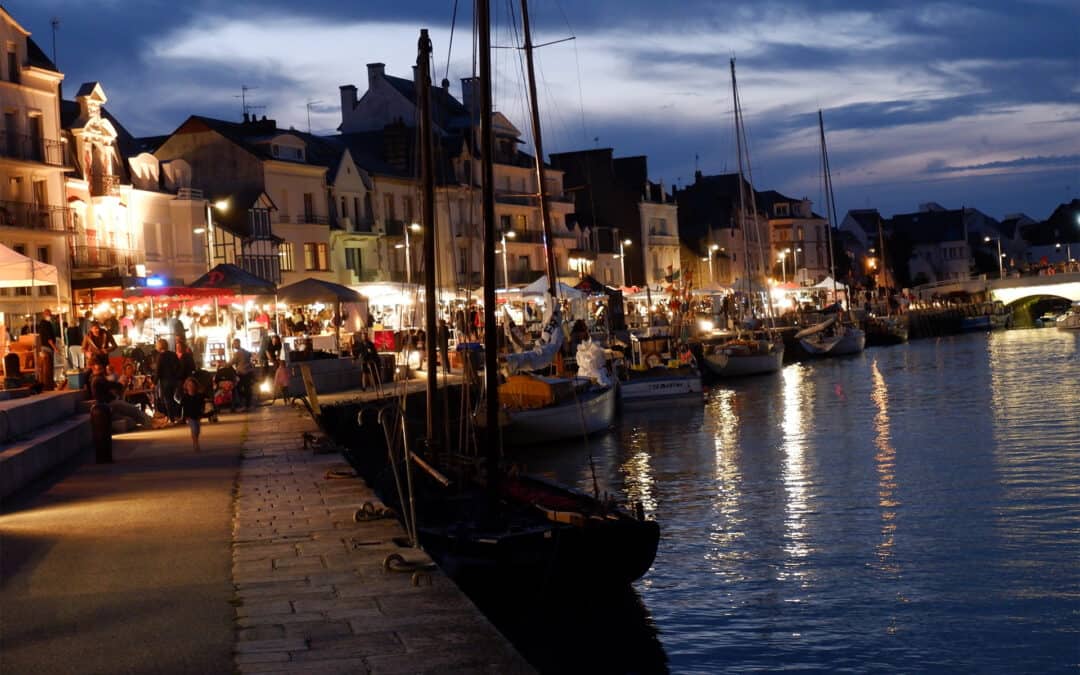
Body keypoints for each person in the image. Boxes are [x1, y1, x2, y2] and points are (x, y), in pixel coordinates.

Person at [88, 362, 151, 429]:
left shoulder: (97, 379)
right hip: (109, 403)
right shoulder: (98, 379)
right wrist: (121, 385)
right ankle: (149, 422)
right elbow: (112, 385)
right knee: (133, 409)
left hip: (110, 402)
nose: (103, 369)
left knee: (137, 405)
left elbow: (111, 385)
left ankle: (148, 421)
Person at [154, 338, 181, 422]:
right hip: (174, 380)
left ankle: (171, 418)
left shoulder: (160, 357)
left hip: (165, 381)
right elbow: (178, 367)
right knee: (176, 398)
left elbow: (158, 370)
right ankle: (178, 415)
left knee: (167, 399)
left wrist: (154, 381)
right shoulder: (173, 354)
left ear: (159, 346)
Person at [179, 377, 205, 452]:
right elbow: (181, 407)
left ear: (196, 386)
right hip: (189, 416)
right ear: (186, 387)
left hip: (197, 414)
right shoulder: (185, 397)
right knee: (194, 428)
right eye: (189, 386)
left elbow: (203, 404)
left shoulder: (199, 396)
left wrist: (203, 410)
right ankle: (195, 443)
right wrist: (182, 417)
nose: (191, 387)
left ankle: (196, 440)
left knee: (197, 429)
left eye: (192, 385)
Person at [229, 338, 254, 411]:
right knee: (247, 388)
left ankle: (245, 404)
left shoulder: (238, 353)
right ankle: (248, 404)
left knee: (239, 388)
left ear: (238, 343)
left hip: (242, 373)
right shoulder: (245, 351)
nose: (233, 345)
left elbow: (231, 362)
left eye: (234, 343)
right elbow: (250, 355)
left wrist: (223, 364)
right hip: (248, 372)